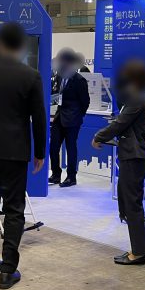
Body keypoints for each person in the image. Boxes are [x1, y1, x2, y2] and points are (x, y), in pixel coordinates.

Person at [0, 22, 47, 289]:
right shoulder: (30, 75)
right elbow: (39, 117)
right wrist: (40, 152)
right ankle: (8, 270)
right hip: (14, 148)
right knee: (14, 208)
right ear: (22, 46)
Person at [92, 60, 145, 265]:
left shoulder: (136, 98)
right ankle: (136, 249)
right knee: (129, 202)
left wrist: (99, 136)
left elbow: (120, 123)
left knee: (132, 204)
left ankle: (138, 253)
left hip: (133, 156)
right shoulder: (135, 96)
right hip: (131, 154)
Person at [49, 48, 90, 187]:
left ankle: (71, 177)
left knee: (71, 148)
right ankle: (56, 174)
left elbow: (85, 101)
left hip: (73, 119)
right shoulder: (59, 76)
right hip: (59, 117)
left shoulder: (79, 80)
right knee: (53, 146)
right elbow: (56, 94)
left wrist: (78, 115)